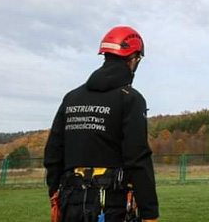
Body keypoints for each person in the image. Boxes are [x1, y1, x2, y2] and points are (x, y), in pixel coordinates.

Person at [44, 26, 159, 222]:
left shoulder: (71, 98)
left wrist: (55, 194)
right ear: (132, 58)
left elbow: (54, 152)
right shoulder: (130, 99)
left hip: (70, 202)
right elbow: (137, 158)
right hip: (111, 205)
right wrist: (149, 213)